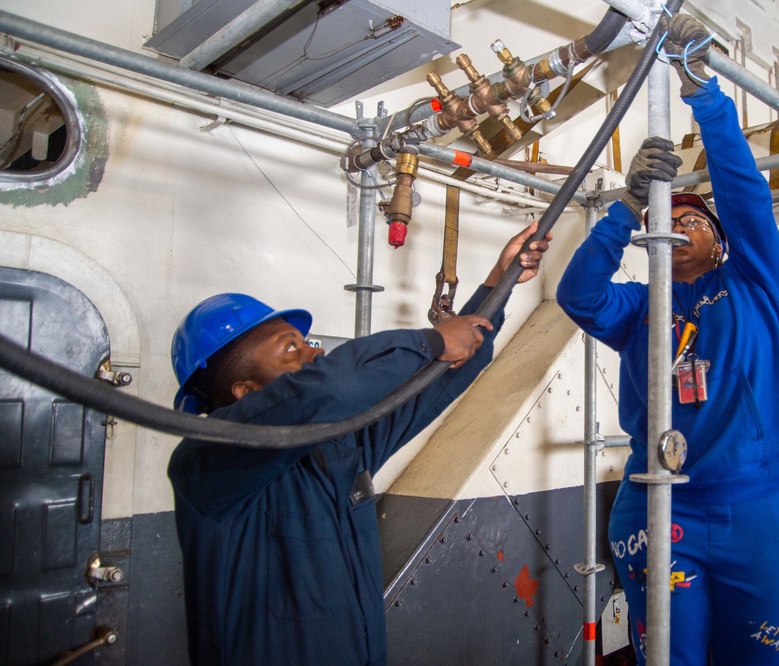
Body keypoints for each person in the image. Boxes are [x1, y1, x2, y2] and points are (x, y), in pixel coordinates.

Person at [167, 222, 551, 666]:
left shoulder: (337, 446)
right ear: (245, 393)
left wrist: (495, 284)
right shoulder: (207, 463)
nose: (314, 354)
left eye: (306, 344)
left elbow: (437, 378)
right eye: (290, 348)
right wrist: (430, 341)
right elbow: (330, 387)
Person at [556, 14, 779, 665]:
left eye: (694, 216)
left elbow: (747, 196)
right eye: (666, 216)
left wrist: (705, 96)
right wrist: (624, 206)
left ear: (720, 242)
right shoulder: (638, 308)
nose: (679, 220)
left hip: (760, 511)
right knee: (668, 658)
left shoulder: (750, 280)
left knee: (753, 659)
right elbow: (578, 295)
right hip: (656, 509)